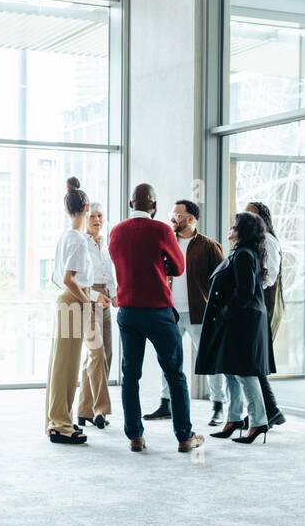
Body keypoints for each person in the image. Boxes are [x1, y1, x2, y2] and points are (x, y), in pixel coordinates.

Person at [108, 182, 204, 454]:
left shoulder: (115, 231)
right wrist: (160, 266)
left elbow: (121, 263)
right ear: (155, 207)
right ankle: (184, 437)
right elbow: (178, 266)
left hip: (127, 312)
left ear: (130, 205)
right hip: (158, 312)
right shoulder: (162, 229)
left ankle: (135, 436)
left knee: (131, 375)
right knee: (175, 373)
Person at [143, 200, 226, 425]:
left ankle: (218, 404)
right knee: (167, 358)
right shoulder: (166, 242)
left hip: (200, 312)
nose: (173, 217)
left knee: (210, 360)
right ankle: (165, 403)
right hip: (170, 313)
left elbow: (222, 281)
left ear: (191, 219)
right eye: (172, 213)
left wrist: (217, 311)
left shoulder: (209, 246)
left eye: (178, 214)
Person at [197, 211, 272, 444]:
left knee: (244, 372)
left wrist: (224, 313)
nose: (230, 229)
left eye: (234, 226)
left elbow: (245, 292)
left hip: (242, 323)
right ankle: (234, 418)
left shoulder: (243, 256)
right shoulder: (242, 253)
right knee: (231, 370)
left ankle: (258, 422)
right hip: (238, 322)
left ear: (242, 231)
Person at [45, 177, 94, 445]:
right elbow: (69, 278)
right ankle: (60, 424)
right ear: (86, 206)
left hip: (67, 300)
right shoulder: (77, 240)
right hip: (73, 302)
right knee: (67, 366)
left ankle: (59, 420)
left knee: (62, 364)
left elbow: (58, 278)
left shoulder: (66, 237)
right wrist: (86, 301)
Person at [243, 201, 286, 429]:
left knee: (254, 361)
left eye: (251, 214)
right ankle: (267, 410)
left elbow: (269, 278)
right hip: (256, 304)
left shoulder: (268, 241)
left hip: (265, 305)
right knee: (252, 361)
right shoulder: (253, 242)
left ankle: (269, 410)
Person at [75, 201, 115, 429]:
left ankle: (84, 410)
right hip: (87, 300)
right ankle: (101, 410)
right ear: (85, 217)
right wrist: (94, 296)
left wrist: (114, 294)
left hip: (106, 301)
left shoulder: (105, 243)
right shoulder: (81, 242)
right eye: (92, 216)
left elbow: (109, 273)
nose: (97, 220)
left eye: (100, 215)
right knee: (96, 353)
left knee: (104, 356)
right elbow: (75, 280)